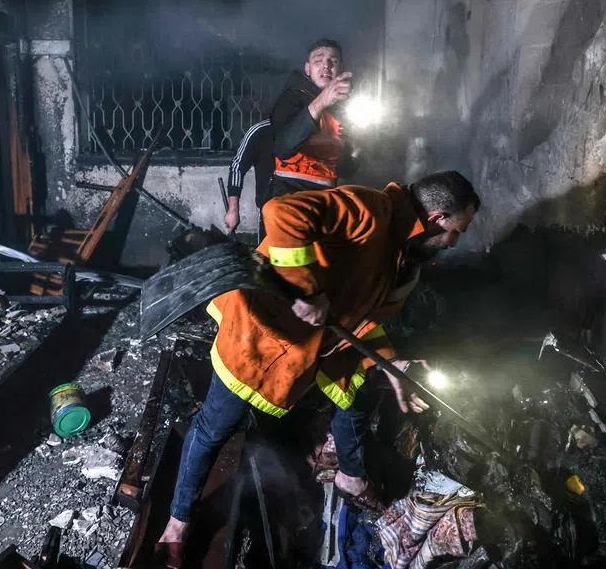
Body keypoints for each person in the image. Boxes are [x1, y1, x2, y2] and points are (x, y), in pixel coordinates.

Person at [155, 171, 481, 567]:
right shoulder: (370, 210)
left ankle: (351, 476)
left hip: (317, 348)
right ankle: (177, 525)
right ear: (437, 218)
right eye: (456, 231)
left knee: (357, 391)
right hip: (262, 339)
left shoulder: (401, 252)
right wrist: (308, 288)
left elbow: (363, 320)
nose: (454, 242)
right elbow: (282, 213)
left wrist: (394, 363)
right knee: (214, 428)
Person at [269, 39, 358, 198]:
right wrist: (321, 101)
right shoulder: (291, 98)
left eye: (333, 61)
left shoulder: (344, 110)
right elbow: (282, 147)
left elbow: (347, 169)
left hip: (327, 195)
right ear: (308, 69)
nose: (326, 65)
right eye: (318, 61)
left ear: (340, 68)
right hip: (290, 195)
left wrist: (359, 146)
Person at [224, 119, 273, 239]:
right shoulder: (260, 131)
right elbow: (237, 167)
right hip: (269, 213)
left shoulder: (315, 128)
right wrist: (233, 210)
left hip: (308, 211)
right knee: (266, 256)